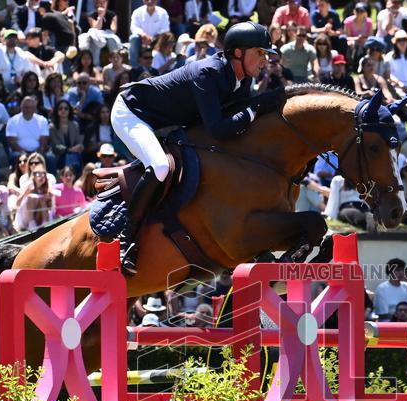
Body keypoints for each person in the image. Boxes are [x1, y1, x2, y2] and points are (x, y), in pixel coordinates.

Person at [112, 21, 283, 273]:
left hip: (166, 123)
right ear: (237, 53)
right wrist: (256, 107)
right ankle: (127, 240)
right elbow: (218, 128)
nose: (264, 60)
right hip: (133, 113)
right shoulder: (208, 73)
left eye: (266, 54)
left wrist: (258, 108)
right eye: (259, 52)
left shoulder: (242, 79)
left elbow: (238, 127)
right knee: (160, 166)